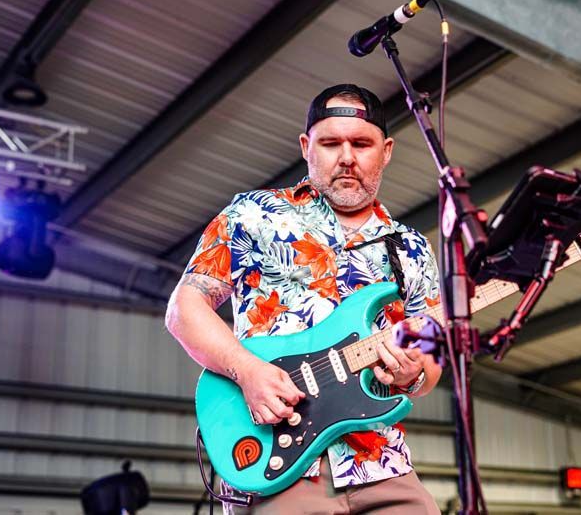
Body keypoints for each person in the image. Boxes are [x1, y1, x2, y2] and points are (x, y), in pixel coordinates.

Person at [166, 84, 442, 514]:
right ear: (306, 147)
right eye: (331, 143)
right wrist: (248, 371)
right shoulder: (253, 215)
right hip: (280, 460)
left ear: (385, 151)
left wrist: (412, 374)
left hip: (380, 463)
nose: (347, 157)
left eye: (362, 144)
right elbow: (185, 310)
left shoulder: (410, 249)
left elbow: (429, 363)